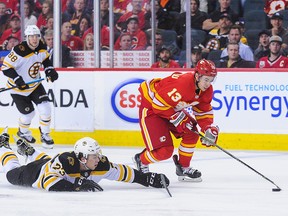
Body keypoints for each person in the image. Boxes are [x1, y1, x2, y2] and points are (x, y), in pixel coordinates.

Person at [0, 128, 169, 192]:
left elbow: (124, 172)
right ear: (82, 158)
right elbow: (49, 183)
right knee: (11, 171)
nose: (98, 159)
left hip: (48, 163)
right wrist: (77, 185)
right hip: (36, 174)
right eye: (94, 156)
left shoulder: (100, 165)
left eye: (98, 154)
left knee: (47, 160)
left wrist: (148, 179)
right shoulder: (66, 162)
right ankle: (4, 147)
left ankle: (30, 152)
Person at [134, 59, 219, 182]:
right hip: (152, 106)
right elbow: (158, 106)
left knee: (191, 132)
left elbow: (203, 112)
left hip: (169, 107)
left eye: (211, 80)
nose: (208, 84)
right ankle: (141, 160)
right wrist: (178, 118)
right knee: (164, 151)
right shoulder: (183, 84)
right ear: (197, 76)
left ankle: (183, 167)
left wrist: (208, 128)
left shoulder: (206, 91)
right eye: (206, 80)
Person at [1, 25, 58, 149]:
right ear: (27, 37)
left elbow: (46, 60)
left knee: (45, 108)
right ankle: (23, 132)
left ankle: (45, 134)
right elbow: (5, 67)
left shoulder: (42, 46)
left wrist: (49, 70)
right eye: (31, 36)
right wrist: (17, 79)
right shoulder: (19, 50)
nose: (34, 39)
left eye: (36, 36)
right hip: (18, 89)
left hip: (35, 85)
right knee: (29, 115)